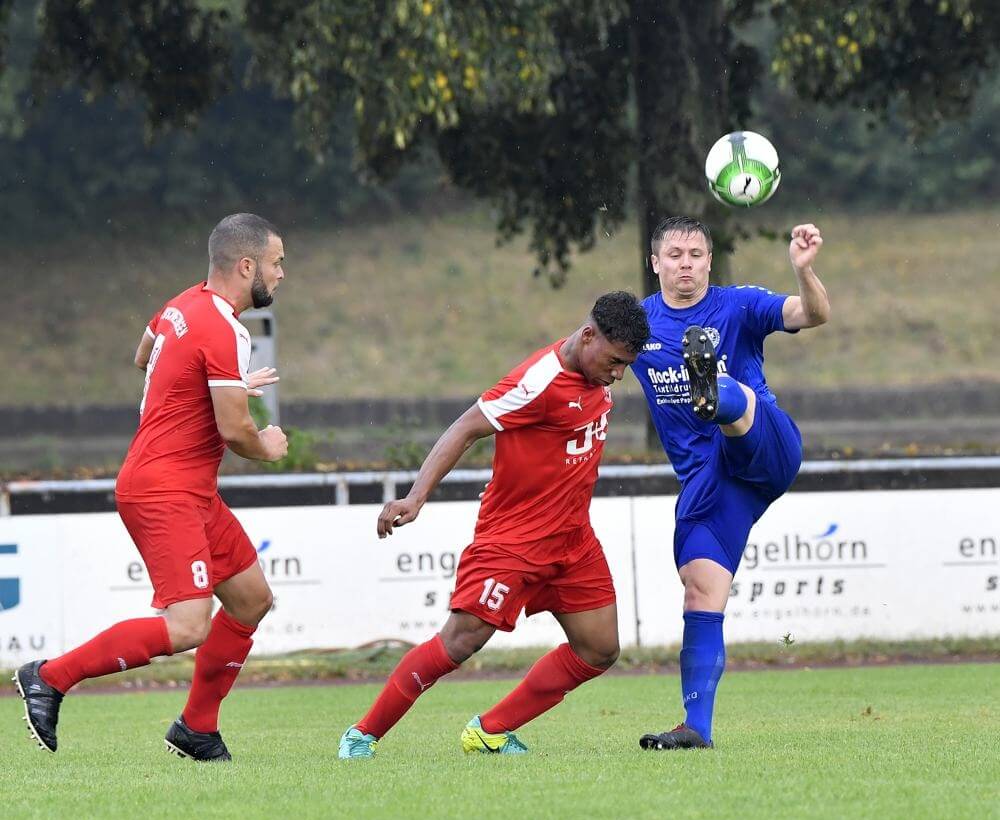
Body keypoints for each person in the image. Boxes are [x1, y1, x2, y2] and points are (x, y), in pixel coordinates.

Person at [13, 213, 289, 761]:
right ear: (247, 265)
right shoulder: (225, 328)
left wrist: (223, 384)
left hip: (188, 488)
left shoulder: (180, 306)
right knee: (187, 624)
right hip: (164, 488)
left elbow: (146, 358)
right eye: (278, 262)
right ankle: (49, 677)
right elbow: (236, 431)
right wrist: (268, 445)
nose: (283, 274)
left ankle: (196, 728)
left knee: (251, 600)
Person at [338, 291, 650, 759]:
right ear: (587, 336)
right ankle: (363, 734)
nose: (619, 374)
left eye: (626, 365)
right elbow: (464, 428)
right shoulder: (538, 382)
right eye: (615, 361)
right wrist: (415, 497)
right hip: (513, 541)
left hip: (572, 540)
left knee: (600, 649)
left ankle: (490, 730)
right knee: (459, 643)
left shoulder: (596, 366)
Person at [631, 216, 829, 750]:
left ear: (709, 261)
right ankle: (697, 727)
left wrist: (803, 270)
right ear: (656, 263)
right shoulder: (636, 325)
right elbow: (582, 360)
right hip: (713, 484)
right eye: (674, 254)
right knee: (700, 590)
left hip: (765, 447)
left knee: (728, 394)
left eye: (696, 253)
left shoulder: (739, 304)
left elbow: (813, 314)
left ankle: (716, 393)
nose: (686, 263)